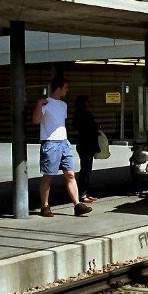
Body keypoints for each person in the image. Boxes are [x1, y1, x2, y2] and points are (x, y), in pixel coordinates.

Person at [32, 78, 92, 217]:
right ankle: (45, 206)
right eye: (66, 87)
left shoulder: (63, 105)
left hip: (64, 142)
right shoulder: (46, 103)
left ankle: (77, 204)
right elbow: (36, 120)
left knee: (70, 174)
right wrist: (39, 104)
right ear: (58, 88)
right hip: (50, 142)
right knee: (48, 176)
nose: (67, 90)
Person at [72, 95, 99, 203]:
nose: (90, 104)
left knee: (86, 169)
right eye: (88, 102)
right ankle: (82, 193)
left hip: (84, 144)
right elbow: (89, 128)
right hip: (86, 144)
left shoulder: (79, 114)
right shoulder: (84, 115)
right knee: (85, 170)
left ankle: (85, 192)